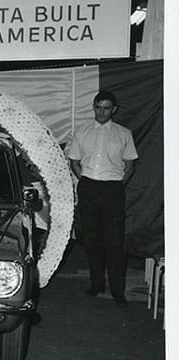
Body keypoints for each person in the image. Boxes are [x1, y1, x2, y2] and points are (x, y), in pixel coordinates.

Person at [67, 90, 138, 306]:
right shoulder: (82, 132)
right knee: (91, 239)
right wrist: (86, 181)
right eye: (98, 107)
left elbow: (130, 164)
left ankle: (118, 292)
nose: (101, 112)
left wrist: (116, 184)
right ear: (94, 107)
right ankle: (96, 284)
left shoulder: (124, 134)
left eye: (106, 108)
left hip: (113, 190)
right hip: (88, 187)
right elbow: (74, 161)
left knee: (114, 242)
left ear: (113, 109)